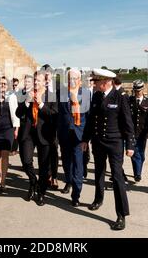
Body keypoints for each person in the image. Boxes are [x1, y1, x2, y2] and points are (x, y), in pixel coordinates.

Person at [81, 69, 135, 231]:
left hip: (114, 142)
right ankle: (98, 199)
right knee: (99, 171)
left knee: (117, 176)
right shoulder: (97, 96)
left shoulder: (121, 97)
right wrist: (85, 139)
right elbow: (91, 119)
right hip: (98, 141)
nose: (94, 84)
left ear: (106, 82)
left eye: (96, 82)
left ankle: (121, 214)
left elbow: (128, 123)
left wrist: (130, 145)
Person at [16, 71, 58, 206]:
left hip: (44, 135)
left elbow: (54, 116)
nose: (35, 83)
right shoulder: (27, 94)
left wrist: (41, 104)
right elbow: (18, 113)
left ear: (45, 82)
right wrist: (27, 102)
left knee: (44, 167)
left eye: (38, 81)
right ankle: (33, 182)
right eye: (34, 81)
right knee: (26, 162)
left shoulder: (51, 96)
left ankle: (41, 193)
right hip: (28, 134)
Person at [57, 69, 90, 206]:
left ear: (80, 80)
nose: (72, 80)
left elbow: (88, 117)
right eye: (70, 78)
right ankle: (69, 181)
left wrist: (86, 139)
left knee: (78, 164)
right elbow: (57, 113)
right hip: (64, 134)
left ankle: (76, 194)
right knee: (66, 162)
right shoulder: (61, 93)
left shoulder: (86, 94)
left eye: (75, 78)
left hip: (79, 135)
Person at [0, 77, 20, 194]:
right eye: (1, 83)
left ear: (8, 86)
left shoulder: (12, 97)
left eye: (5, 84)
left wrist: (16, 128)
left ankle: (3, 180)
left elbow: (16, 114)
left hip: (8, 129)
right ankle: (0, 175)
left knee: (5, 153)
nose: (2, 85)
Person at [129, 80, 148, 182]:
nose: (137, 92)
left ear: (143, 89)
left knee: (141, 154)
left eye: (139, 90)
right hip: (131, 131)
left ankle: (137, 169)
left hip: (142, 132)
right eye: (136, 90)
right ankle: (137, 174)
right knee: (134, 152)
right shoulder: (129, 100)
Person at [41, 64, 60, 190]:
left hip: (55, 125)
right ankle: (47, 175)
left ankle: (54, 176)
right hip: (42, 125)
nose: (47, 76)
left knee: (54, 152)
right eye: (45, 74)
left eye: (48, 74)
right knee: (45, 152)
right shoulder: (40, 88)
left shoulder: (59, 89)